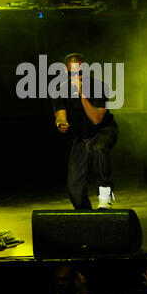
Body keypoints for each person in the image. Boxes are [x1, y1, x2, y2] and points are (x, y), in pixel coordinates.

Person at [52, 53, 119, 209]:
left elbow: (96, 119)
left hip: (104, 131)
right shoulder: (59, 90)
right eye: (71, 73)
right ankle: (86, 216)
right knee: (74, 187)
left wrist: (82, 94)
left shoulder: (98, 86)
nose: (76, 76)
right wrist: (61, 124)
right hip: (82, 136)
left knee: (99, 149)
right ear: (65, 72)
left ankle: (104, 196)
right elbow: (60, 117)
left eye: (79, 73)